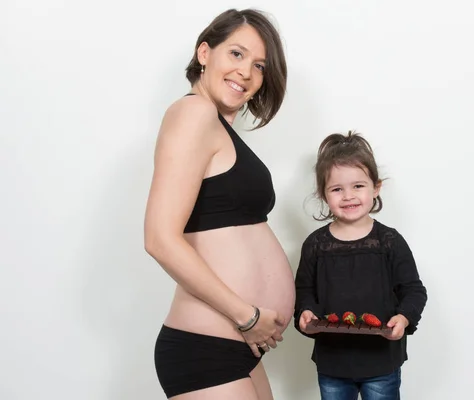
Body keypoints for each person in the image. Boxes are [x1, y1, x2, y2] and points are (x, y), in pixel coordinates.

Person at [143, 8, 295, 400]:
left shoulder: (217, 126)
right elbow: (160, 239)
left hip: (239, 346)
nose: (247, 72)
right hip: (207, 347)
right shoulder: (193, 112)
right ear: (204, 53)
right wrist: (247, 316)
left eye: (259, 65)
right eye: (237, 54)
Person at [294, 131, 428, 400]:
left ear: (375, 187)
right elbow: (304, 290)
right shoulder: (315, 245)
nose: (348, 196)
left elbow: (414, 290)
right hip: (332, 363)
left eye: (358, 186)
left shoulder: (389, 242)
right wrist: (305, 312)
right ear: (323, 194)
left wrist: (404, 317)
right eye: (336, 189)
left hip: (381, 362)